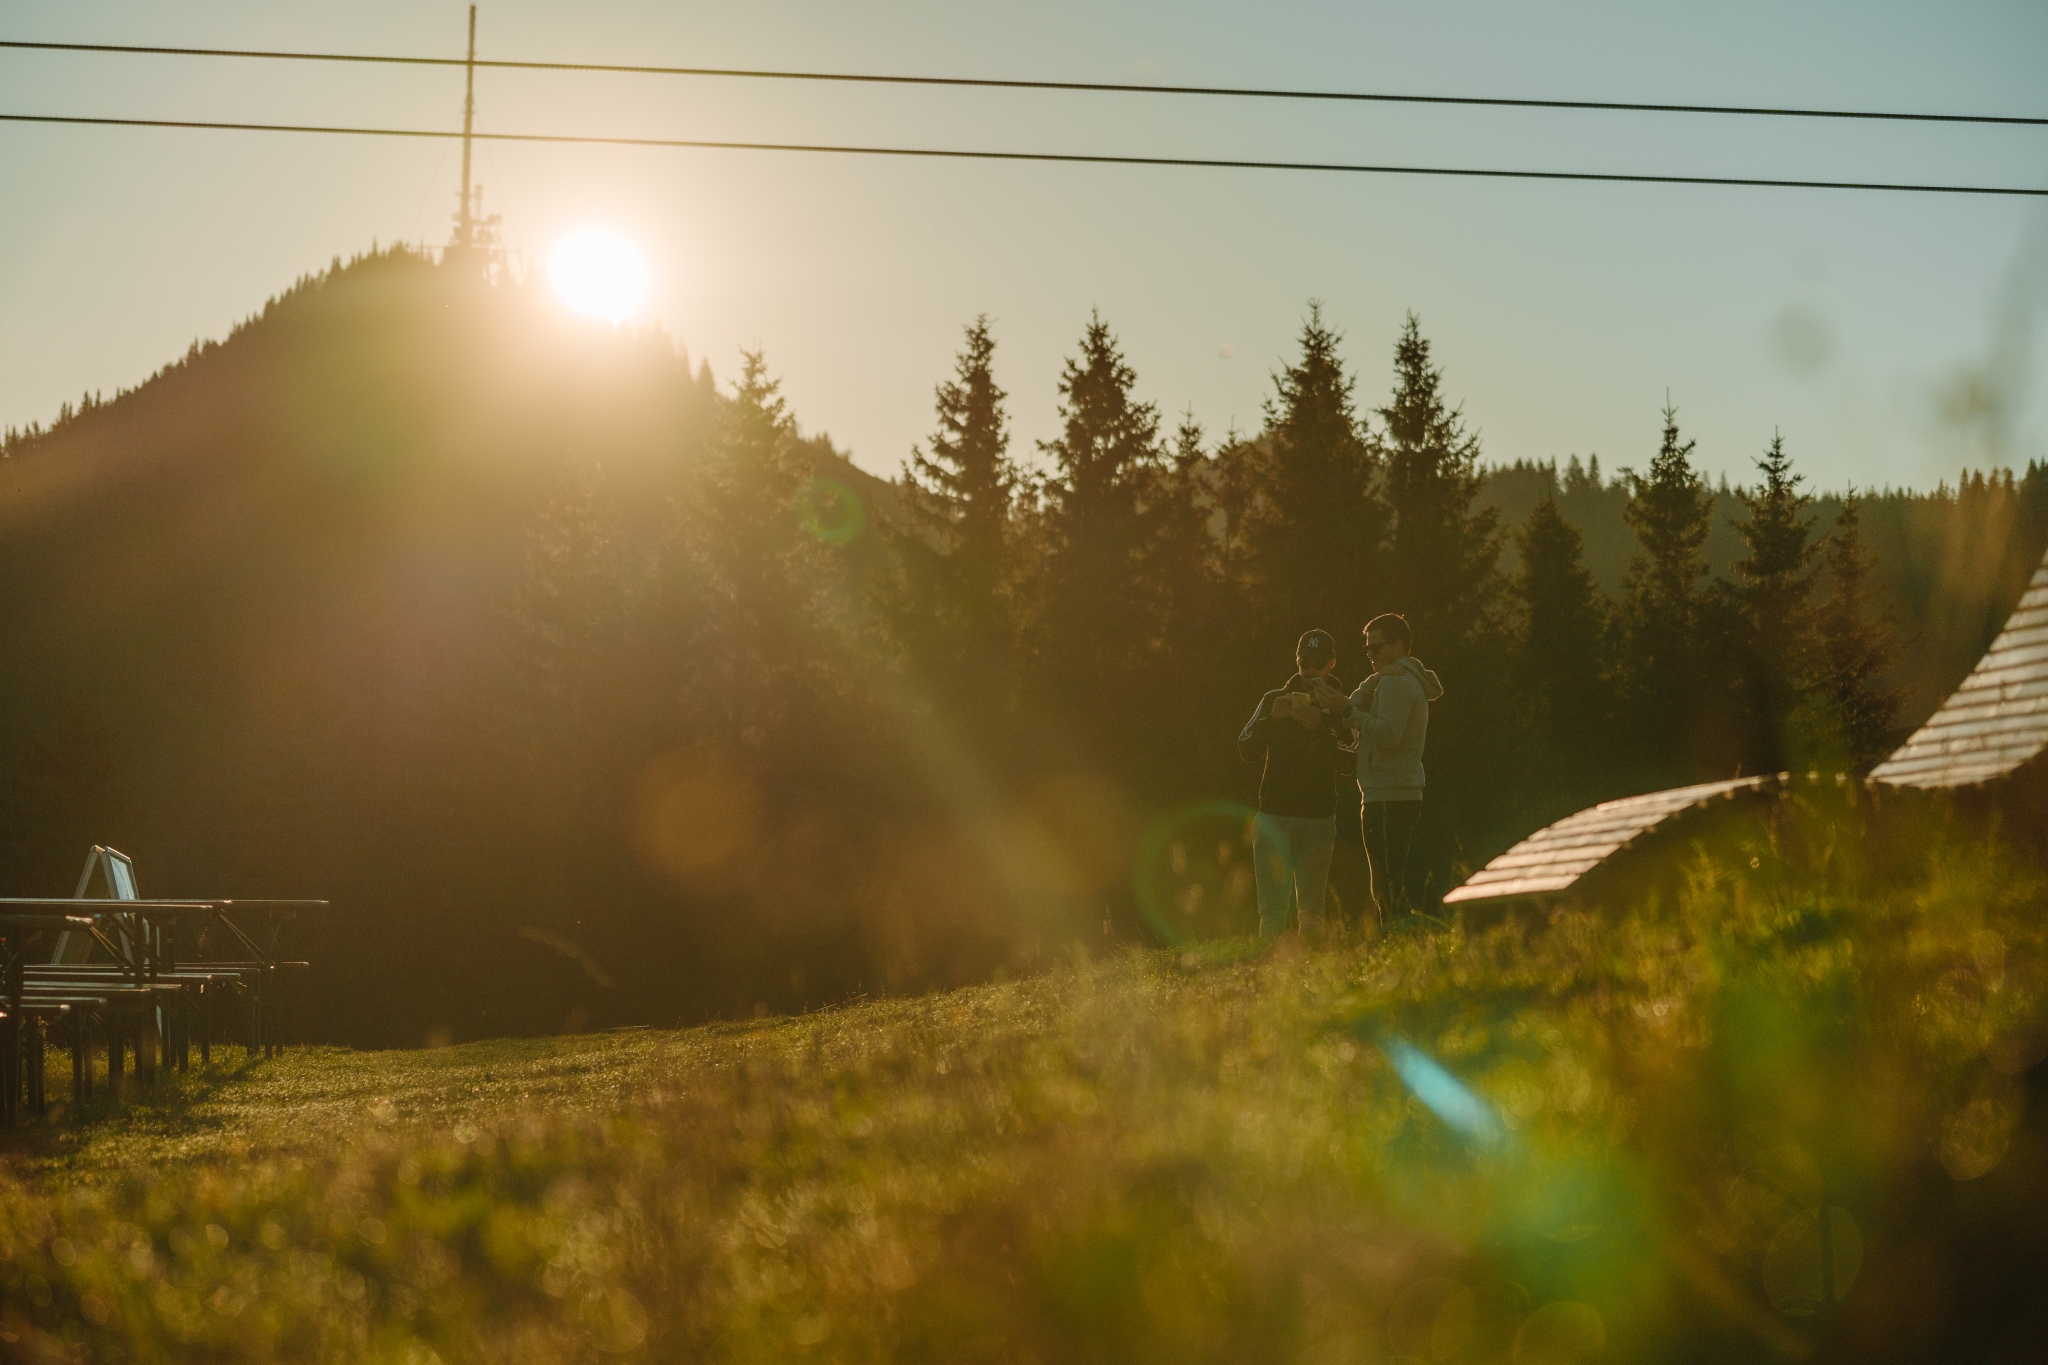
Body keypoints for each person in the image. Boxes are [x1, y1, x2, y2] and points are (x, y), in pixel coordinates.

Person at [1313, 613, 1443, 927]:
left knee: (1387, 886)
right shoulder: (1392, 680)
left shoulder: (1396, 685)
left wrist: (1349, 712)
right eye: (1368, 649)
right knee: (1389, 880)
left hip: (1388, 794)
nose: (1370, 654)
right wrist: (1367, 687)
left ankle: (1400, 941)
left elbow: (1388, 735)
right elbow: (1359, 704)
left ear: (1398, 645)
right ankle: (1401, 940)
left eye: (1377, 648)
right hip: (1391, 791)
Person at [1238, 629, 1356, 939]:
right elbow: (1245, 747)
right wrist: (1271, 720)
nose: (1309, 672)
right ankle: (1267, 974)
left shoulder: (1340, 706)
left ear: (1331, 664)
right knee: (1272, 910)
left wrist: (1322, 729)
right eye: (1304, 664)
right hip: (1273, 815)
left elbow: (1349, 762)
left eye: (1317, 665)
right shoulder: (1275, 699)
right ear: (1297, 662)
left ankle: (1312, 974)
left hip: (1317, 818)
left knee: (1312, 910)